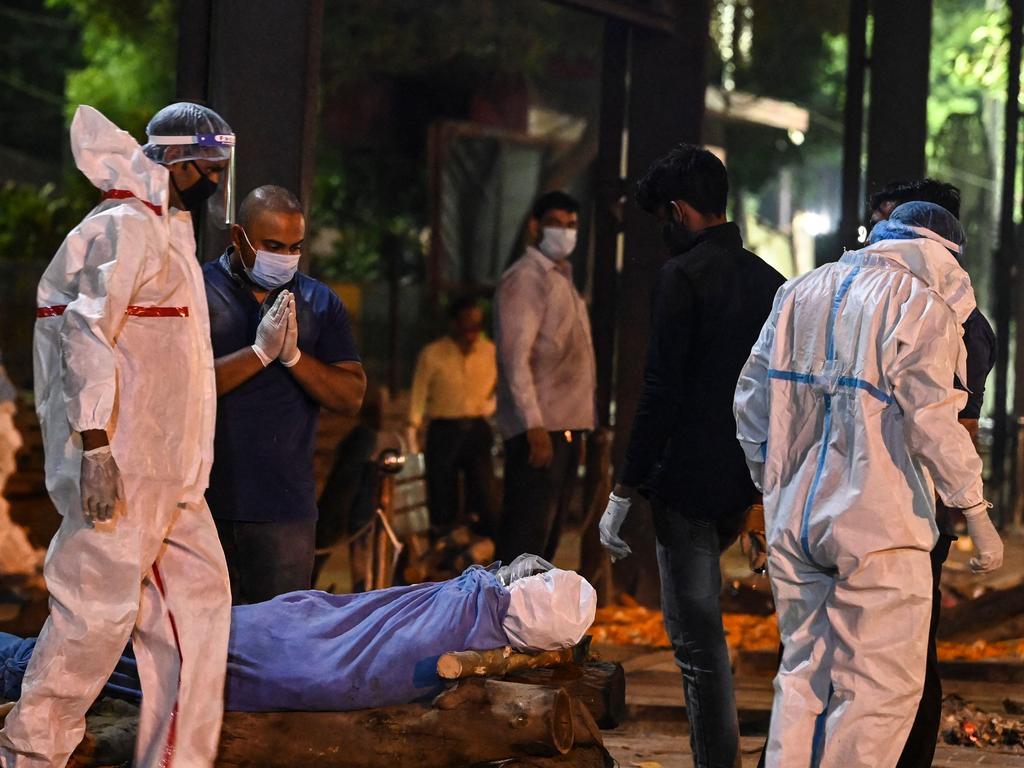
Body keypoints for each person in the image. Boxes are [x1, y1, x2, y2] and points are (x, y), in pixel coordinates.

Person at [0, 103, 235, 768]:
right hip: (123, 469)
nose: (217, 179)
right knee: (93, 620)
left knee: (198, 617)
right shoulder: (124, 228)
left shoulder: (169, 231)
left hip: (173, 478)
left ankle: (175, 760)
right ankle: (30, 754)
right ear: (180, 161)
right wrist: (97, 445)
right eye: (211, 166)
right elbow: (85, 334)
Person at [734, 201, 1004, 768]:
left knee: (803, 676)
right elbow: (934, 423)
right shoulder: (920, 305)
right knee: (878, 690)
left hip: (795, 525)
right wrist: (977, 515)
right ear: (942, 253)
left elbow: (751, 405)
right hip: (879, 527)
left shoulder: (799, 292)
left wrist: (773, 484)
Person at [597, 145, 784, 768]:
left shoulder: (681, 277)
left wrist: (624, 489)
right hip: (746, 481)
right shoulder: (773, 282)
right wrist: (763, 494)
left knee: (699, 644)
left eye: (662, 219)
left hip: (684, 484)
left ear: (678, 211)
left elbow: (660, 391)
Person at [203, 185, 365, 605]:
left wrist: (293, 358)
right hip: (200, 504)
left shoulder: (318, 302)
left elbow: (350, 396)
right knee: (201, 643)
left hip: (284, 508)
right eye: (272, 246)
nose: (285, 258)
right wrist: (258, 354)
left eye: (294, 247)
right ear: (238, 237)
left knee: (280, 641)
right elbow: (177, 389)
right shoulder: (196, 292)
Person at [493, 191, 596, 564]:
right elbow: (515, 358)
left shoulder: (561, 278)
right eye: (556, 223)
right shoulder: (525, 278)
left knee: (547, 538)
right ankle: (504, 617)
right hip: (539, 431)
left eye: (571, 226)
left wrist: (578, 426)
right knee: (526, 535)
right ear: (535, 226)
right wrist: (533, 426)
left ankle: (529, 619)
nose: (565, 233)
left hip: (563, 427)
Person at [408, 296, 497, 534]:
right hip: (443, 428)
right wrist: (413, 428)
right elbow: (419, 394)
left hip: (477, 428)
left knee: (482, 491)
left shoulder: (490, 352)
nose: (472, 330)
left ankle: (480, 542)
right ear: (454, 323)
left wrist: (490, 406)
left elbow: (505, 388)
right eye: (466, 323)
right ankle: (443, 543)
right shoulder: (433, 354)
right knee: (441, 491)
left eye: (476, 324)